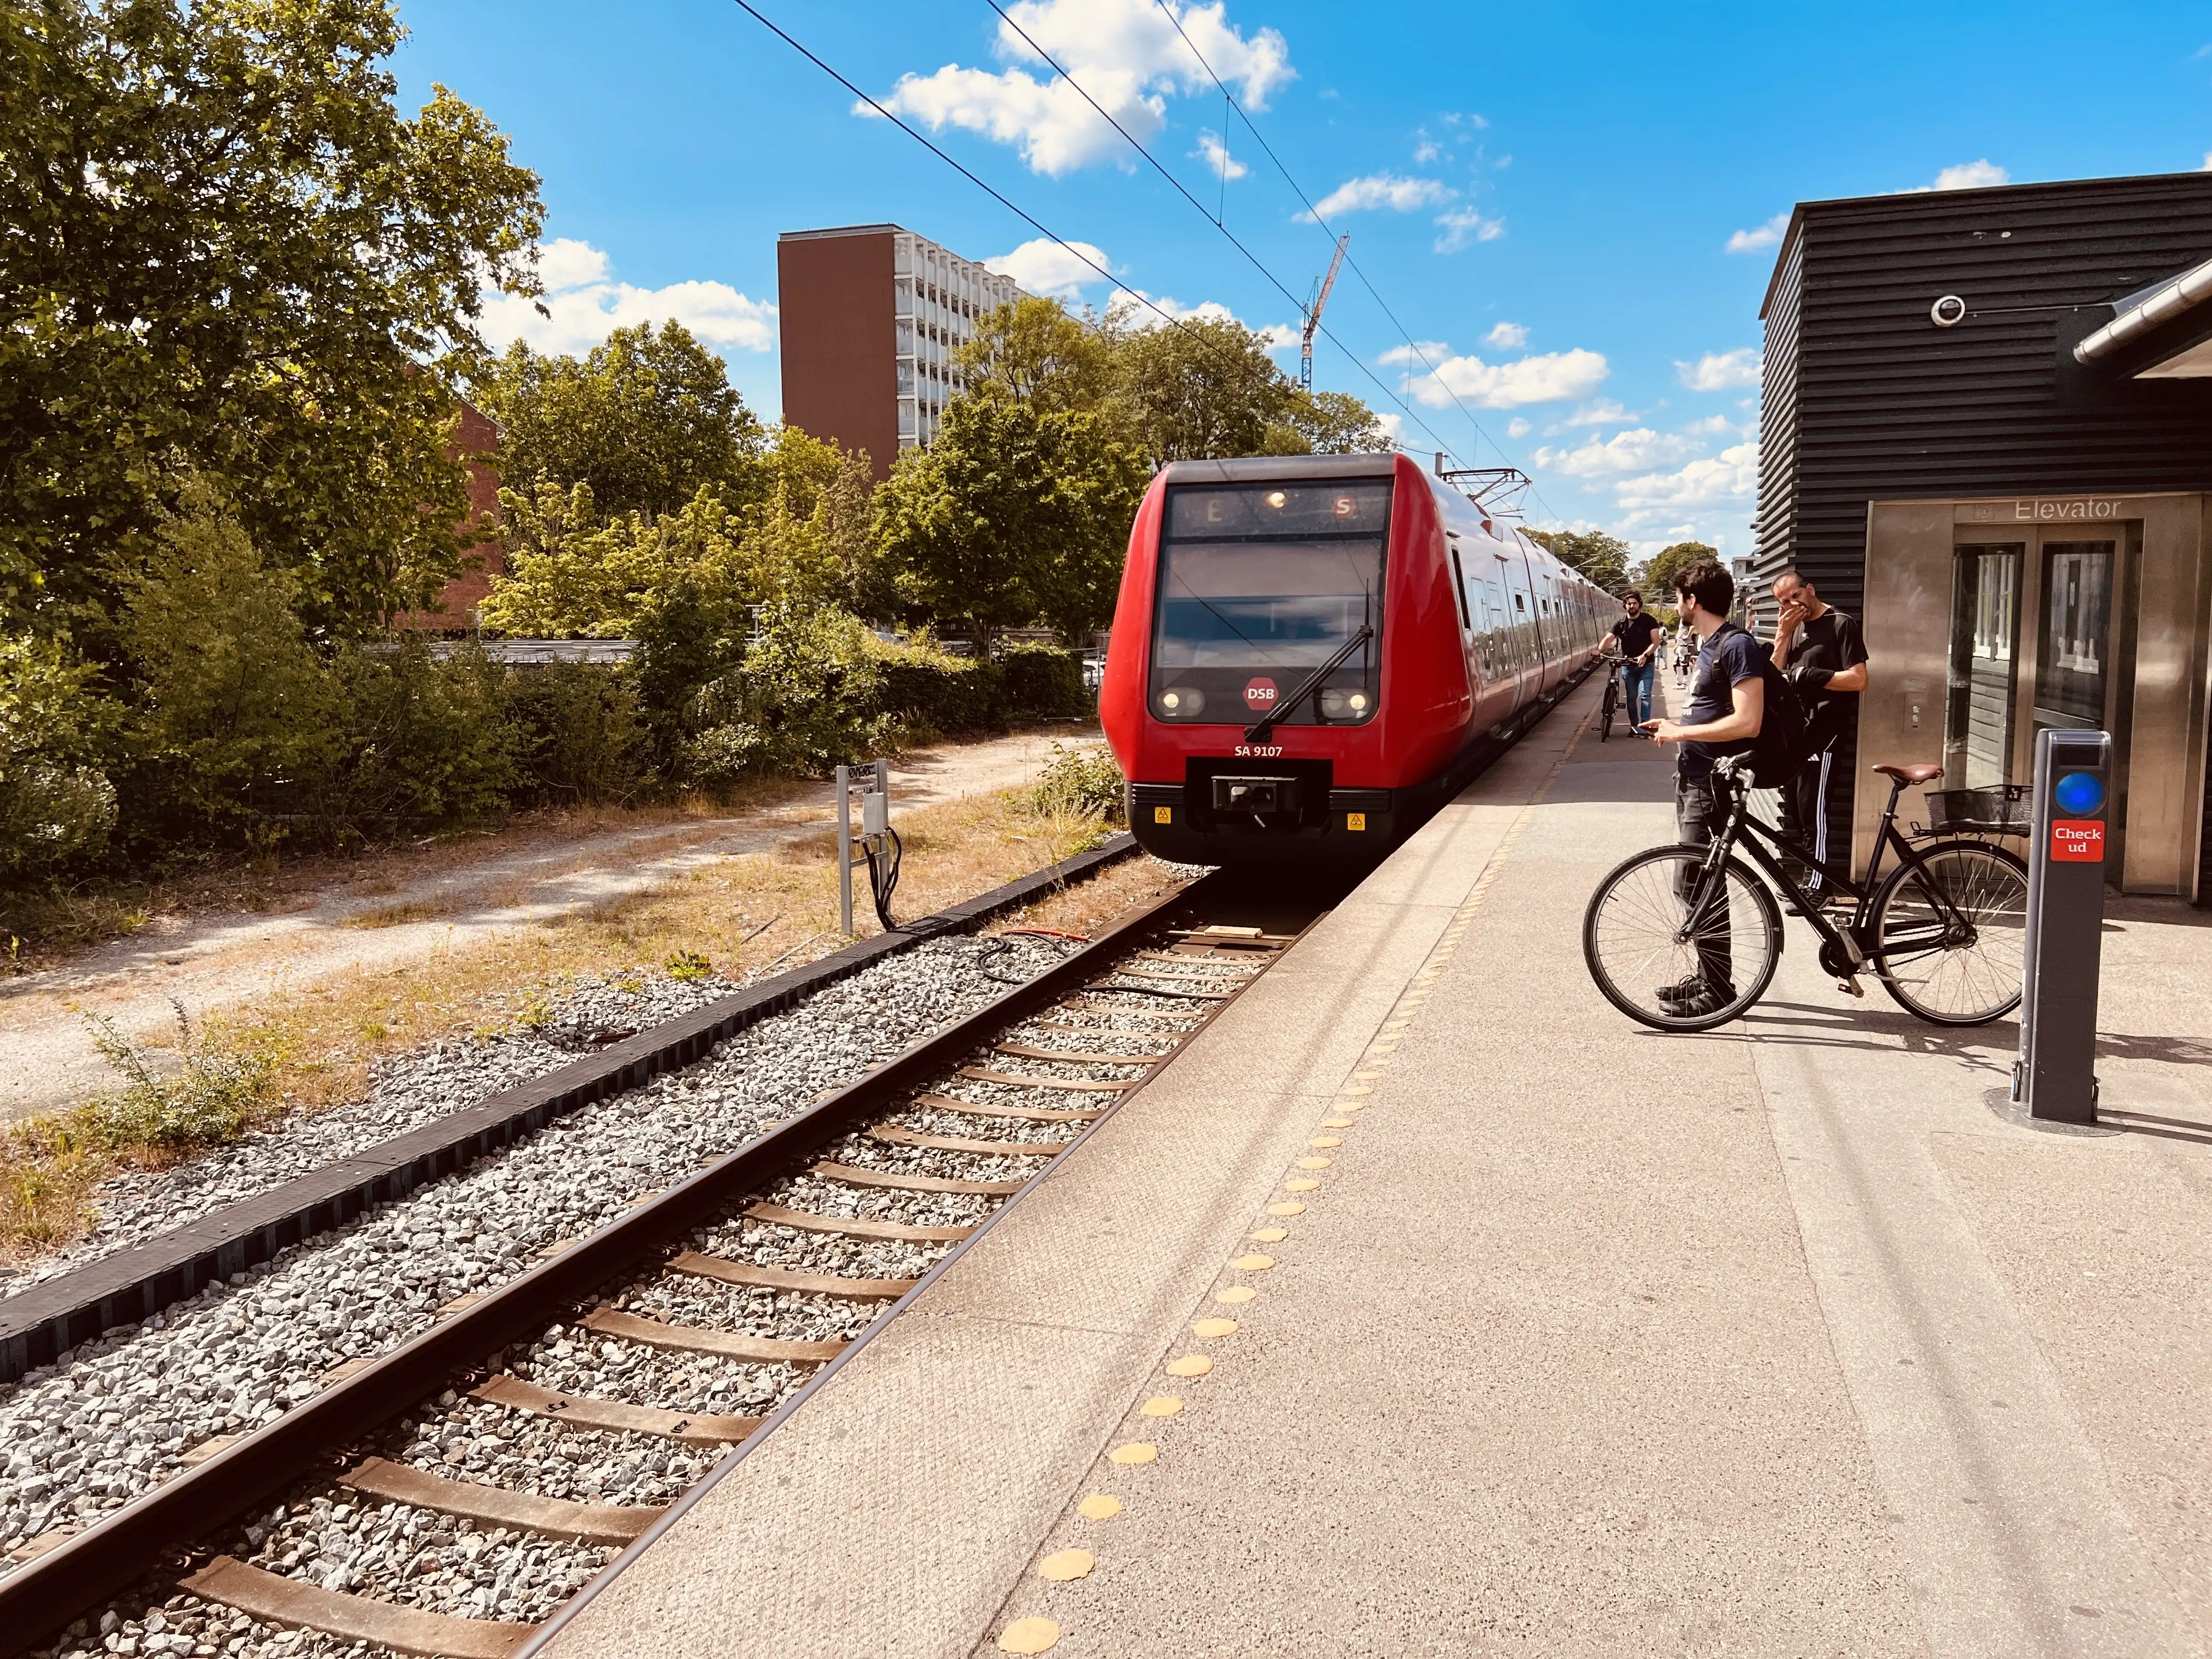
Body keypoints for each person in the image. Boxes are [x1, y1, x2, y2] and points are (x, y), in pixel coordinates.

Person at [1644, 558, 1765, 1017]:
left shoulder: (1736, 646)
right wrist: (1677, 725)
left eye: (1678, 597)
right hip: (1694, 776)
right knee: (1700, 880)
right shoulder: (1711, 645)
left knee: (1696, 880)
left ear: (1693, 601)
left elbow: (1747, 721)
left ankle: (1718, 989)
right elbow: (1712, 711)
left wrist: (1681, 734)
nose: (1677, 606)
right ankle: (1710, 976)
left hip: (1711, 781)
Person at [1768, 570, 1870, 906]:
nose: (1790, 605)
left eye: (1795, 597)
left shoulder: (1841, 624)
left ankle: (1820, 885)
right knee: (1797, 808)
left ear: (1810, 589)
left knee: (1814, 807)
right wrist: (1783, 634)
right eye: (1783, 602)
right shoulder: (1793, 630)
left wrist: (1812, 676)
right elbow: (1774, 674)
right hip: (1797, 731)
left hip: (1827, 730)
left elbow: (1858, 679)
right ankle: (1806, 875)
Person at [1607, 591, 1663, 731]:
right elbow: (1609, 638)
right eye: (1629, 604)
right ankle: (1634, 727)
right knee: (1631, 697)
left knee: (1645, 696)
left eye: (1634, 603)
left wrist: (1645, 655)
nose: (1632, 606)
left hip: (1647, 664)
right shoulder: (1621, 622)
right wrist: (1598, 650)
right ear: (1625, 606)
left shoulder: (1649, 621)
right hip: (1628, 665)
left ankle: (1645, 725)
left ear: (1640, 605)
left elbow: (1656, 642)